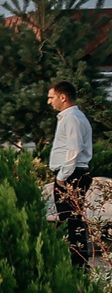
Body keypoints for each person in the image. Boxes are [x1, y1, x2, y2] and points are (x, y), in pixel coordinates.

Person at [48, 80, 94, 267]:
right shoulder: (70, 117)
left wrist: (61, 178)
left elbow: (73, 150)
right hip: (71, 174)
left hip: (71, 175)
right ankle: (75, 263)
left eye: (51, 97)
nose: (49, 102)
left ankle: (78, 265)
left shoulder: (72, 118)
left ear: (63, 97)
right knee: (71, 220)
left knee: (72, 222)